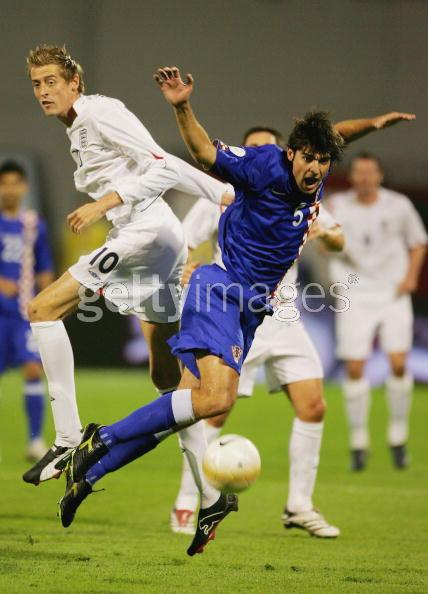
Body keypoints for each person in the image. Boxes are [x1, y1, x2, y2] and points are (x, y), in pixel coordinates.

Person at [59, 65, 415, 556]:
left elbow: (337, 135)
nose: (313, 169)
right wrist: (182, 106)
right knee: (212, 402)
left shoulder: (320, 168)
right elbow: (204, 152)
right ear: (291, 154)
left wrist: (375, 124)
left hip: (252, 308)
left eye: (321, 161)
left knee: (189, 410)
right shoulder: (264, 166)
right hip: (219, 288)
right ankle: (102, 440)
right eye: (307, 159)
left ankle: (92, 469)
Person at [24, 46, 232, 485]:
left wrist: (106, 202)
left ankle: (66, 438)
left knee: (42, 309)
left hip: (146, 232)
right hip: (154, 237)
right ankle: (211, 494)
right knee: (166, 377)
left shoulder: (99, 113)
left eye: (51, 82)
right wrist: (223, 195)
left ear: (74, 82)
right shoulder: (76, 127)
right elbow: (163, 165)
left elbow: (161, 163)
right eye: (37, 84)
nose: (43, 92)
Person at [171, 126, 344, 539]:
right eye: (255, 149)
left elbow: (337, 240)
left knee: (313, 406)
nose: (263, 156)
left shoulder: (304, 193)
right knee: (213, 409)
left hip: (284, 318)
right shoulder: (221, 194)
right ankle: (188, 499)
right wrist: (188, 267)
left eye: (270, 148)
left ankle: (299, 506)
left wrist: (329, 234)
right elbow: (183, 241)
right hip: (235, 314)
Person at [328, 153, 427, 471]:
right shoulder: (337, 206)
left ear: (380, 176)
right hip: (354, 291)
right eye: (359, 172)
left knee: (398, 362)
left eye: (371, 172)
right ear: (352, 177)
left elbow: (418, 242)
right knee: (355, 368)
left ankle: (397, 434)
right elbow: (320, 241)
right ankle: (359, 441)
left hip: (391, 291)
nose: (365, 178)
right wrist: (329, 241)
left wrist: (411, 276)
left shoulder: (398, 205)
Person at [0, 160, 54, 460]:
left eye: (14, 183)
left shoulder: (33, 224)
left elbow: (44, 266)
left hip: (22, 314)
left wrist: (49, 301)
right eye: (4, 183)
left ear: (24, 187)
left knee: (33, 368)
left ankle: (35, 441)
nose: (9, 189)